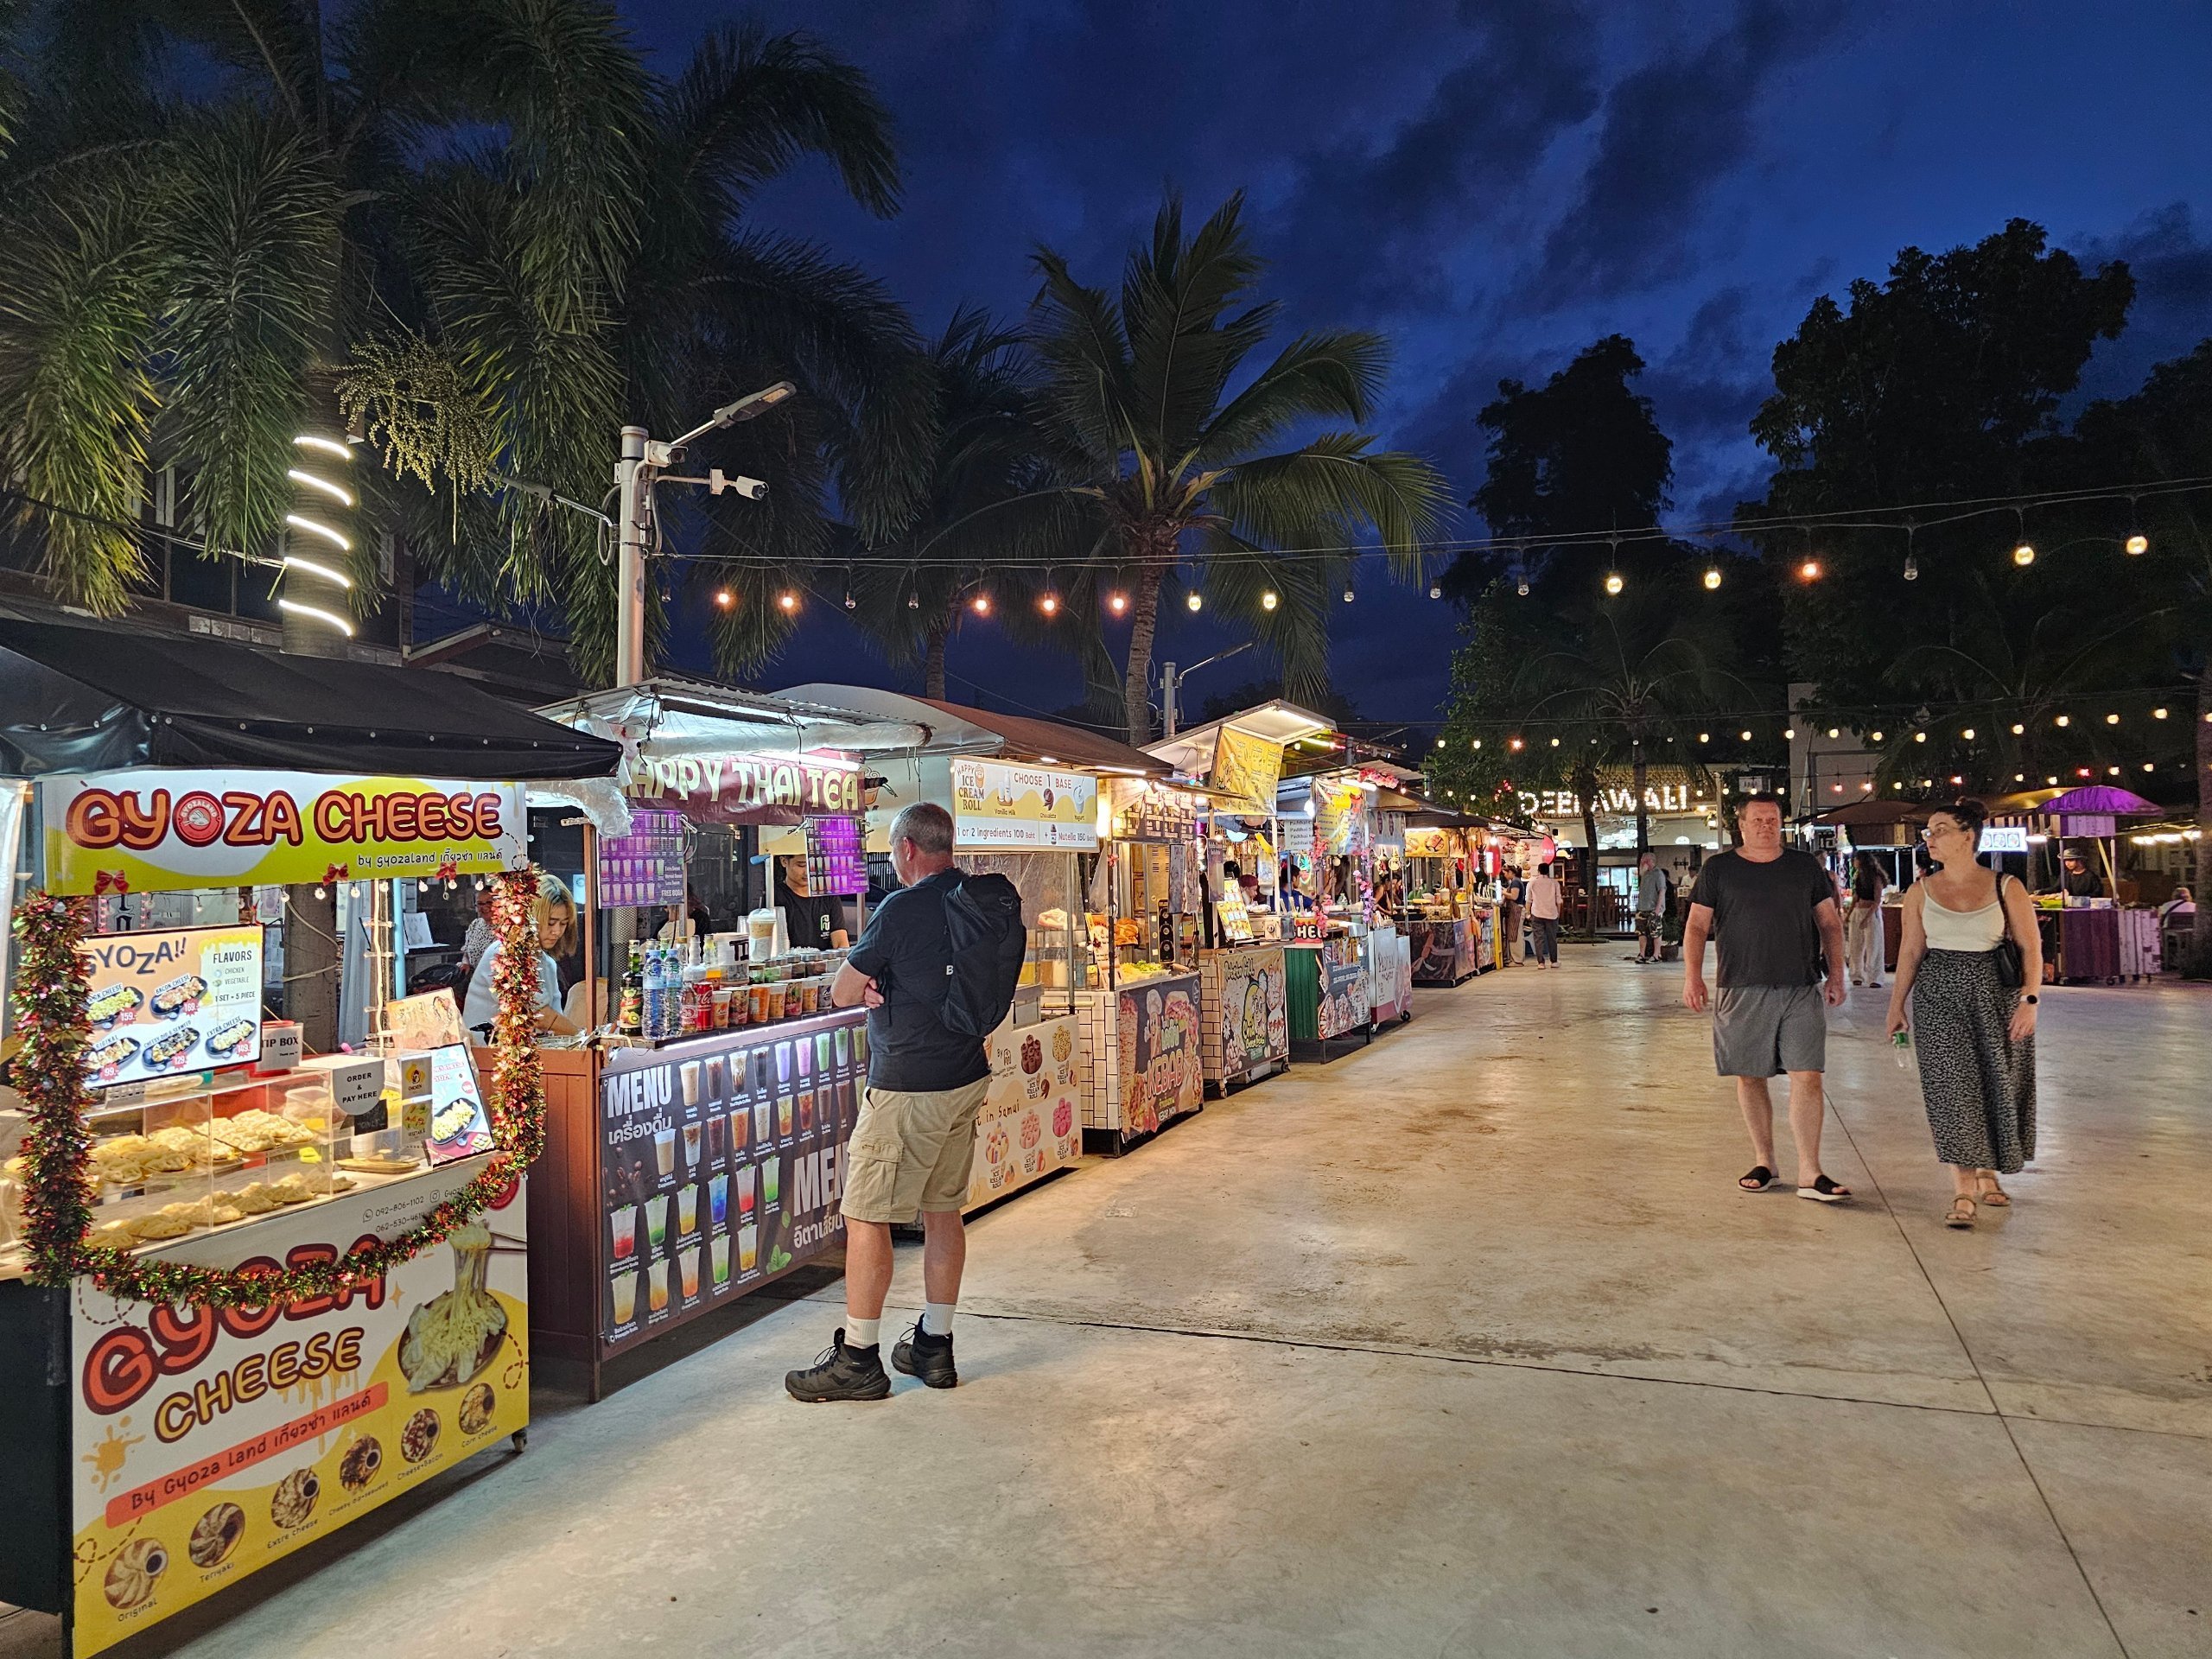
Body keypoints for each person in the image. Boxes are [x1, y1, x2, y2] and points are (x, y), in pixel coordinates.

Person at [786, 803, 1004, 1402]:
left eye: (891, 847)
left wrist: (870, 983)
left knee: (866, 1215)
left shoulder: (902, 908)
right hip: (965, 1075)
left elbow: (841, 991)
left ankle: (858, 1357)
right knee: (942, 1210)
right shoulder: (977, 900)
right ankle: (935, 1344)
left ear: (907, 848)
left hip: (908, 1084)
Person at [1681, 796, 1852, 1201]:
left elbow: (1830, 924)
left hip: (1800, 986)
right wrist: (1693, 977)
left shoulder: (1804, 867)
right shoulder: (1719, 869)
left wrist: (1837, 974)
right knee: (1750, 1074)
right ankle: (1765, 1161)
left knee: (1808, 1075)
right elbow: (1696, 926)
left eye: (1772, 819)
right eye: (1757, 820)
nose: (1765, 826)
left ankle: (1810, 1171)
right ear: (1741, 825)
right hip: (1740, 986)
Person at [1885, 802, 2041, 1228]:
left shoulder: (2006, 886)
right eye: (1928, 832)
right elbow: (1910, 952)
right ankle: (1963, 1189)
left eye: (1940, 830)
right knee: (1951, 1090)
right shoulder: (1920, 891)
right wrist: (1896, 1005)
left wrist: (2030, 1000)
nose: (1930, 839)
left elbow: (2030, 946)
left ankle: (1989, 1171)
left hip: (1995, 996)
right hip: (1938, 996)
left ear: (1968, 836)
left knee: (1997, 1083)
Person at [461, 874, 582, 1038]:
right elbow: (541, 1017)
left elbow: (554, 1022)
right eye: (551, 922)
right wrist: (583, 1036)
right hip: (485, 1051)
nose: (557, 931)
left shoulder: (548, 964)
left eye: (563, 923)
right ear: (532, 917)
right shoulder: (503, 954)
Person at [774, 852, 850, 950]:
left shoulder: (828, 896)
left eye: (813, 864)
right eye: (801, 865)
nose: (808, 872)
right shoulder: (775, 896)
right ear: (784, 861)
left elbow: (840, 941)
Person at [1846, 850, 1887, 988]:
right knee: (1855, 945)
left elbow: (1877, 900)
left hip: (1871, 912)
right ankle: (1856, 975)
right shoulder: (1858, 876)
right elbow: (1856, 897)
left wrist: (1866, 918)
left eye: (1855, 859)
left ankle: (1875, 977)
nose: (1854, 862)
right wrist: (1849, 914)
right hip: (1858, 911)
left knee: (1874, 946)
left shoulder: (1876, 877)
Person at [1525, 861, 1563, 968]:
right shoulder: (1554, 883)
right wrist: (1558, 913)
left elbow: (1528, 900)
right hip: (1552, 913)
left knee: (1538, 939)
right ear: (1548, 871)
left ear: (1538, 871)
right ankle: (1554, 961)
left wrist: (1528, 913)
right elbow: (1559, 900)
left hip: (1537, 913)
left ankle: (1541, 962)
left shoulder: (1532, 883)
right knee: (1552, 938)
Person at [1632, 852, 1667, 963]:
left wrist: (1658, 909)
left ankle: (1656, 955)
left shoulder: (1658, 874)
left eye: (1644, 862)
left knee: (1656, 932)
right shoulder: (1644, 874)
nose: (1642, 864)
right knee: (1641, 932)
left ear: (1649, 861)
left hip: (1653, 908)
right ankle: (1642, 954)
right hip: (1642, 908)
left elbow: (1662, 891)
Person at [460, 885, 498, 970]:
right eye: (480, 903)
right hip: (473, 976)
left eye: (489, 902)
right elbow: (466, 953)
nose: (484, 907)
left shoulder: (506, 927)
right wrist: (465, 963)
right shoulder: (475, 924)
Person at [1500, 866, 1526, 965]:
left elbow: (1514, 896)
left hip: (1516, 910)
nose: (1505, 876)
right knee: (1515, 934)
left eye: (1505, 873)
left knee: (1516, 935)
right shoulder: (1515, 882)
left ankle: (1517, 960)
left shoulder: (1515, 882)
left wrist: (1503, 892)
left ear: (1511, 872)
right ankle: (1516, 958)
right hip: (1516, 910)